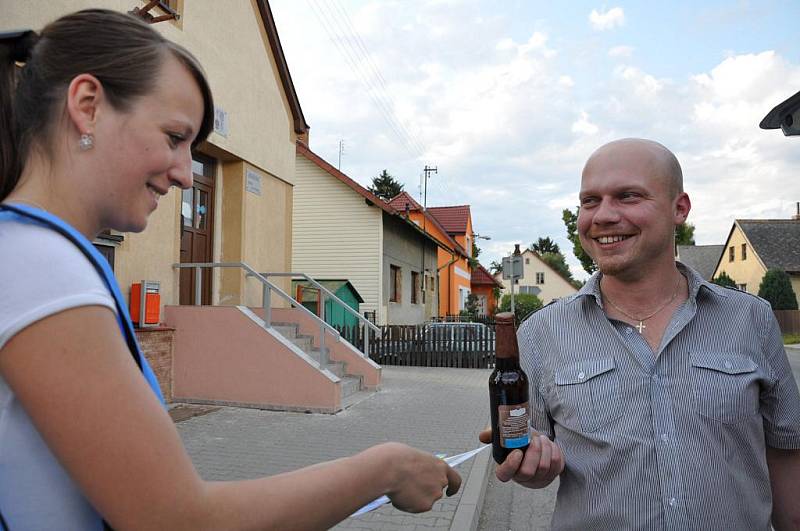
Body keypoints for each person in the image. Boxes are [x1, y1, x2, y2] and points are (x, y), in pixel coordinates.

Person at [0, 9, 460, 530]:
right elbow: (177, 520)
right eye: (174, 137)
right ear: (87, 106)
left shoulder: (36, 254)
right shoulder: (40, 267)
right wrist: (384, 469)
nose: (184, 175)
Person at [480, 138, 800, 530]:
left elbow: (785, 452)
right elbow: (531, 452)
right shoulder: (541, 334)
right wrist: (532, 465)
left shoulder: (750, 319)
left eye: (628, 196)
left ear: (678, 208)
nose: (603, 216)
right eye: (590, 201)